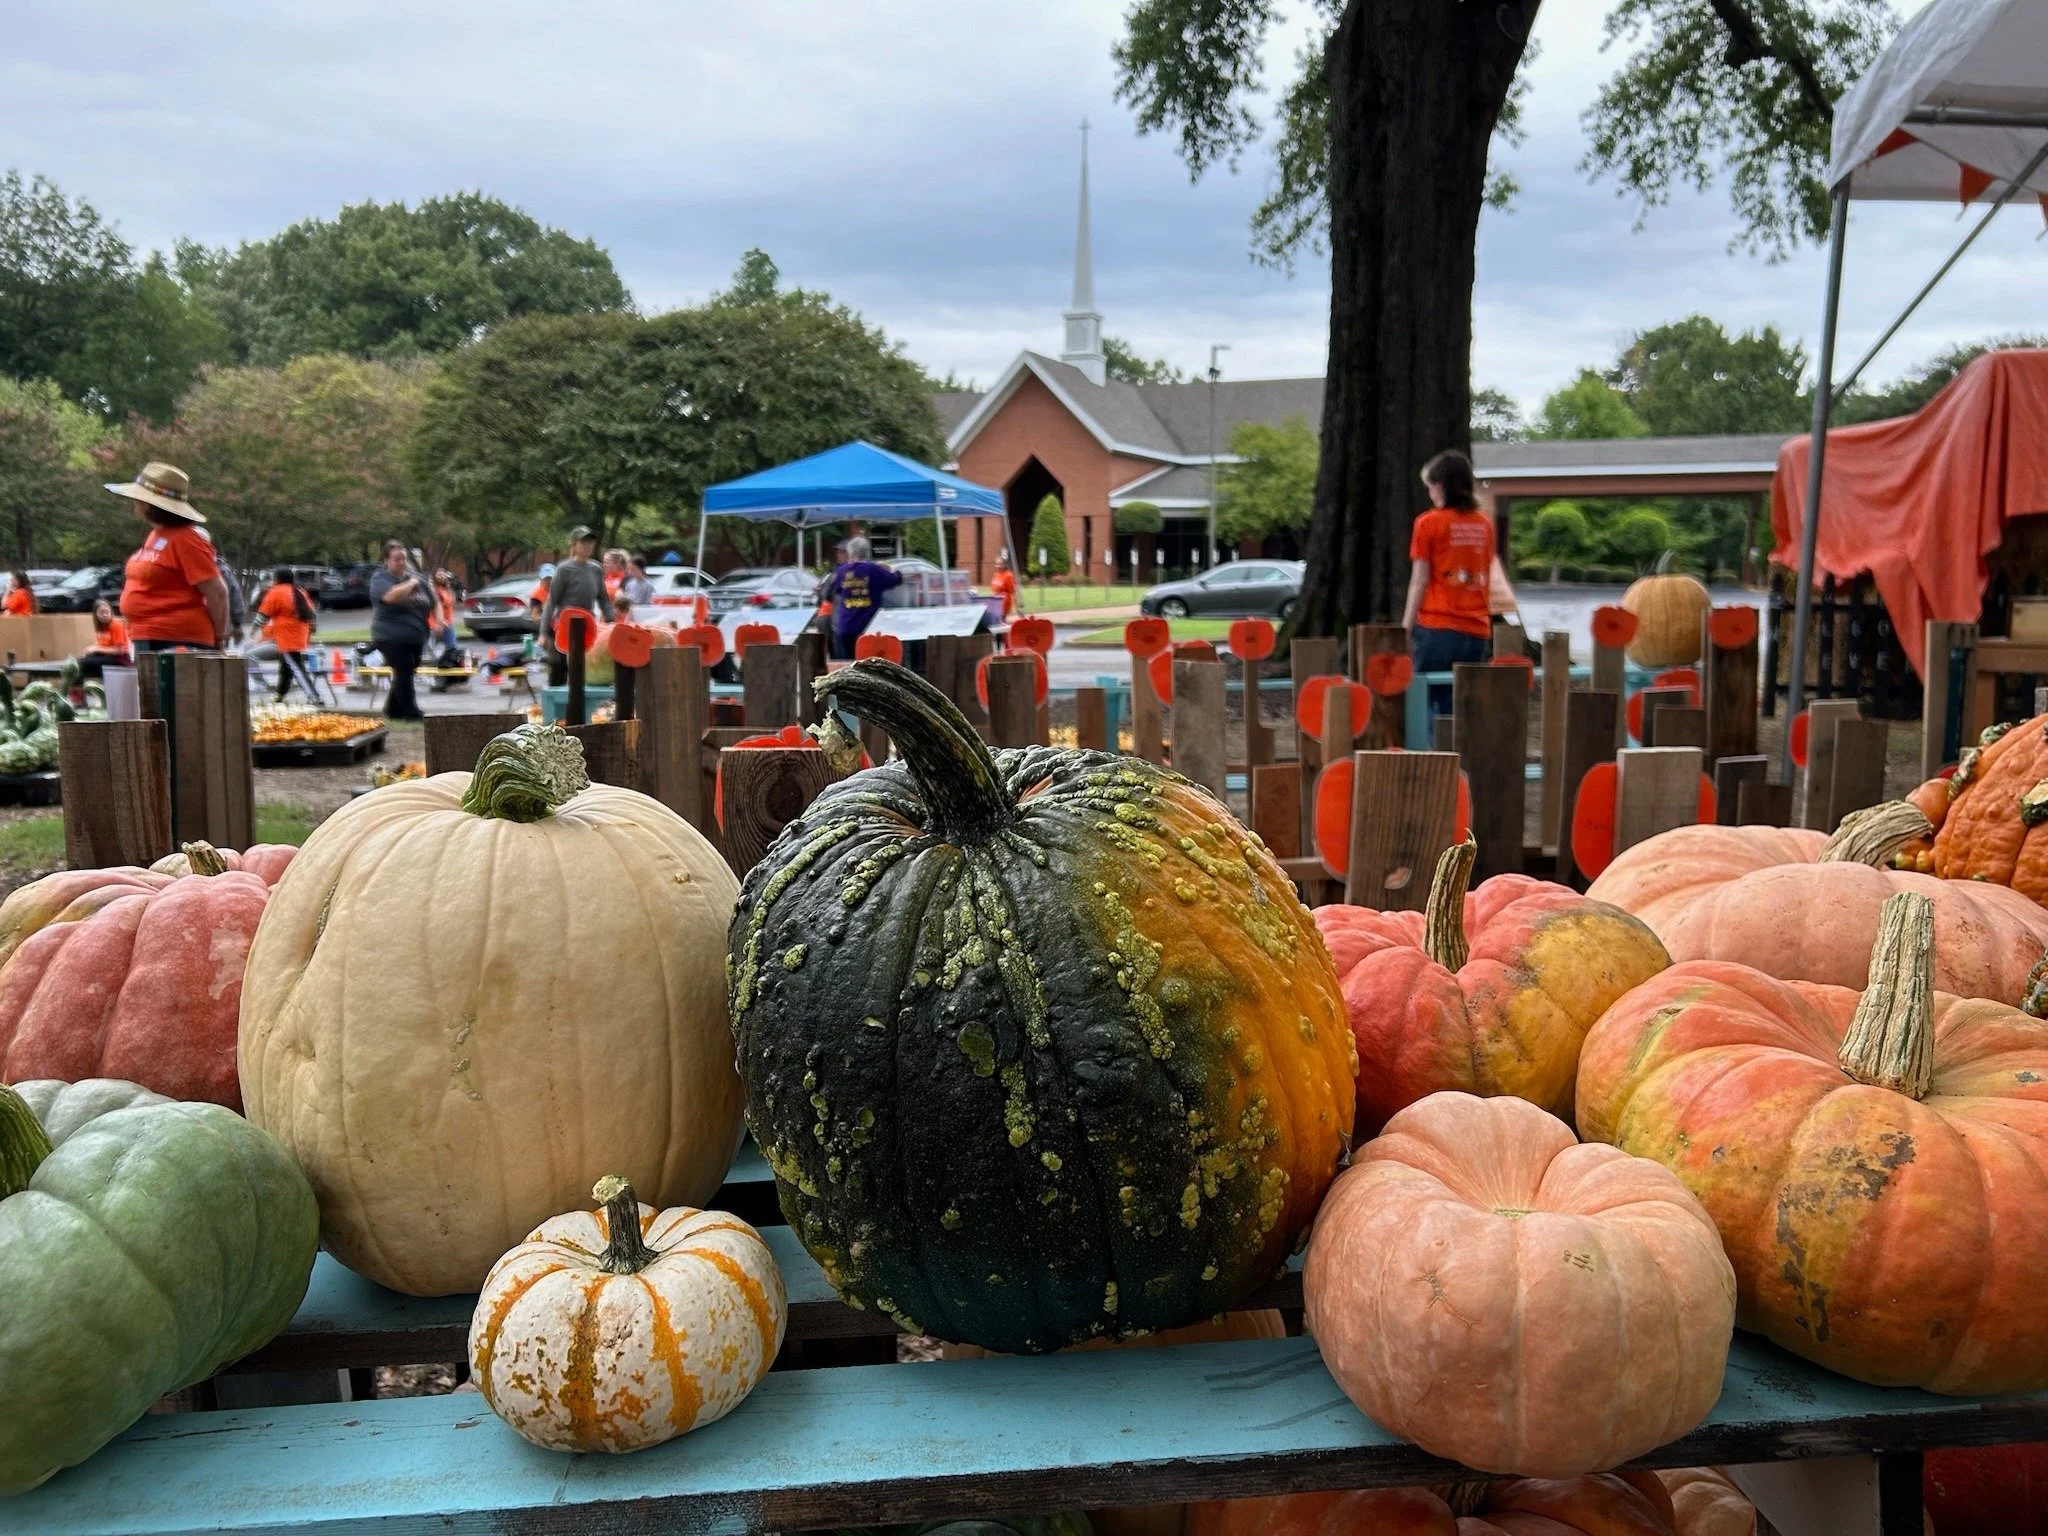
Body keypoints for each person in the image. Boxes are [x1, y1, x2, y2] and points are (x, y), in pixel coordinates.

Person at [1403, 450, 1514, 717]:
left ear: (1439, 486)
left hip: (1437, 626)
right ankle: (1460, 756)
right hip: (1476, 630)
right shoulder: (1484, 525)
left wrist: (1406, 626)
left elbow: (1419, 580)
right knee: (1461, 705)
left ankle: (1434, 758)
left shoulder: (1427, 523)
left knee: (1428, 703)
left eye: (1429, 485)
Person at [107, 461, 231, 653]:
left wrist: (219, 640)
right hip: (148, 636)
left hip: (179, 641)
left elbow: (217, 593)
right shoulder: (156, 535)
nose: (134, 501)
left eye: (138, 498)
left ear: (151, 504)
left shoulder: (187, 539)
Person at [369, 539, 434, 721]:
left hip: (416, 636)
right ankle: (411, 713)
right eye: (396, 559)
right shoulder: (380, 579)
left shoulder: (416, 578)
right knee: (404, 669)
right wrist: (412, 583)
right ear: (386, 560)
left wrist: (441, 620)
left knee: (406, 671)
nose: (401, 562)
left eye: (403, 558)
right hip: (389, 636)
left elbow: (432, 601)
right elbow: (390, 597)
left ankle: (393, 710)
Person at [540, 526, 608, 686]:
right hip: (565, 626)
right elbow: (552, 601)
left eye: (590, 542)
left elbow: (603, 599)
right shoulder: (565, 569)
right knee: (559, 668)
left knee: (582, 669)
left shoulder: (596, 569)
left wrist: (611, 622)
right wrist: (543, 633)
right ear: (574, 545)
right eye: (583, 542)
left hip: (586, 625)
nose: (587, 546)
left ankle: (579, 707)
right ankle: (554, 708)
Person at [819, 535, 902, 660]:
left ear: (850, 553)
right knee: (868, 669)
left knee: (848, 668)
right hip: (868, 629)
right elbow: (897, 579)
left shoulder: (841, 571)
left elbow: (833, 591)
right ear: (867, 552)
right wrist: (891, 569)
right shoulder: (874, 570)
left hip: (845, 628)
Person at [257, 566, 319, 702]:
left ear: (277, 579)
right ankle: (280, 695)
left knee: (296, 668)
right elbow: (312, 614)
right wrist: (312, 629)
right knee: (286, 668)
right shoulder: (299, 591)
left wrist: (254, 629)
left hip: (286, 637)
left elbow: (263, 614)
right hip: (300, 634)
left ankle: (314, 697)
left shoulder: (276, 592)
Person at [79, 600, 130, 674]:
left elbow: (119, 650)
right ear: (96, 614)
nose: (105, 615)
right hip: (105, 657)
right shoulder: (101, 627)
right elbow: (103, 645)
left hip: (119, 659)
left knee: (82, 664)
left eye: (107, 612)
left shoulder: (116, 625)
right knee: (79, 661)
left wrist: (96, 649)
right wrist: (92, 648)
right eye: (102, 612)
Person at [989, 551, 1018, 620]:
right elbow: (993, 588)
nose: (998, 566)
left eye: (1000, 564)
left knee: (1001, 620)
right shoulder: (995, 574)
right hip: (995, 601)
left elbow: (1012, 590)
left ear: (1005, 565)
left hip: (1004, 602)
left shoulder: (1008, 575)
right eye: (996, 564)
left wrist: (1017, 605)